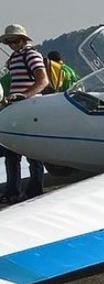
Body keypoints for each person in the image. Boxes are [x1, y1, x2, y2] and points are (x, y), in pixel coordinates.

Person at [0, 24, 49, 204]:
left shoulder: (31, 55)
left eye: (14, 40)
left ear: (23, 40)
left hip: (31, 107)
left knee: (33, 152)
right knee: (11, 151)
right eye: (9, 42)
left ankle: (35, 190)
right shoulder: (14, 58)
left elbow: (43, 80)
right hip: (16, 109)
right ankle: (12, 190)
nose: (12, 44)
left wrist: (25, 95)